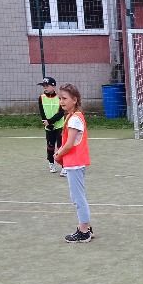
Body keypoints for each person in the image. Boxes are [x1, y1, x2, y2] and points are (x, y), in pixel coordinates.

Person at [54, 83, 93, 242]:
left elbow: (69, 144)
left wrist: (58, 155)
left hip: (75, 163)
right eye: (60, 98)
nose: (61, 101)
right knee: (78, 196)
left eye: (64, 98)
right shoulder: (73, 116)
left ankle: (84, 231)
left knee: (78, 198)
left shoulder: (74, 119)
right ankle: (86, 227)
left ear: (74, 99)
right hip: (75, 163)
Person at [36, 76, 66, 174]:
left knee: (61, 146)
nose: (45, 87)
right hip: (48, 126)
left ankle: (64, 166)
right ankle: (51, 163)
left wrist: (50, 121)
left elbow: (61, 112)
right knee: (50, 145)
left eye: (47, 85)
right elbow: (42, 112)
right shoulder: (41, 98)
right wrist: (46, 122)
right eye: (43, 86)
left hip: (60, 126)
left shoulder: (60, 97)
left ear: (53, 86)